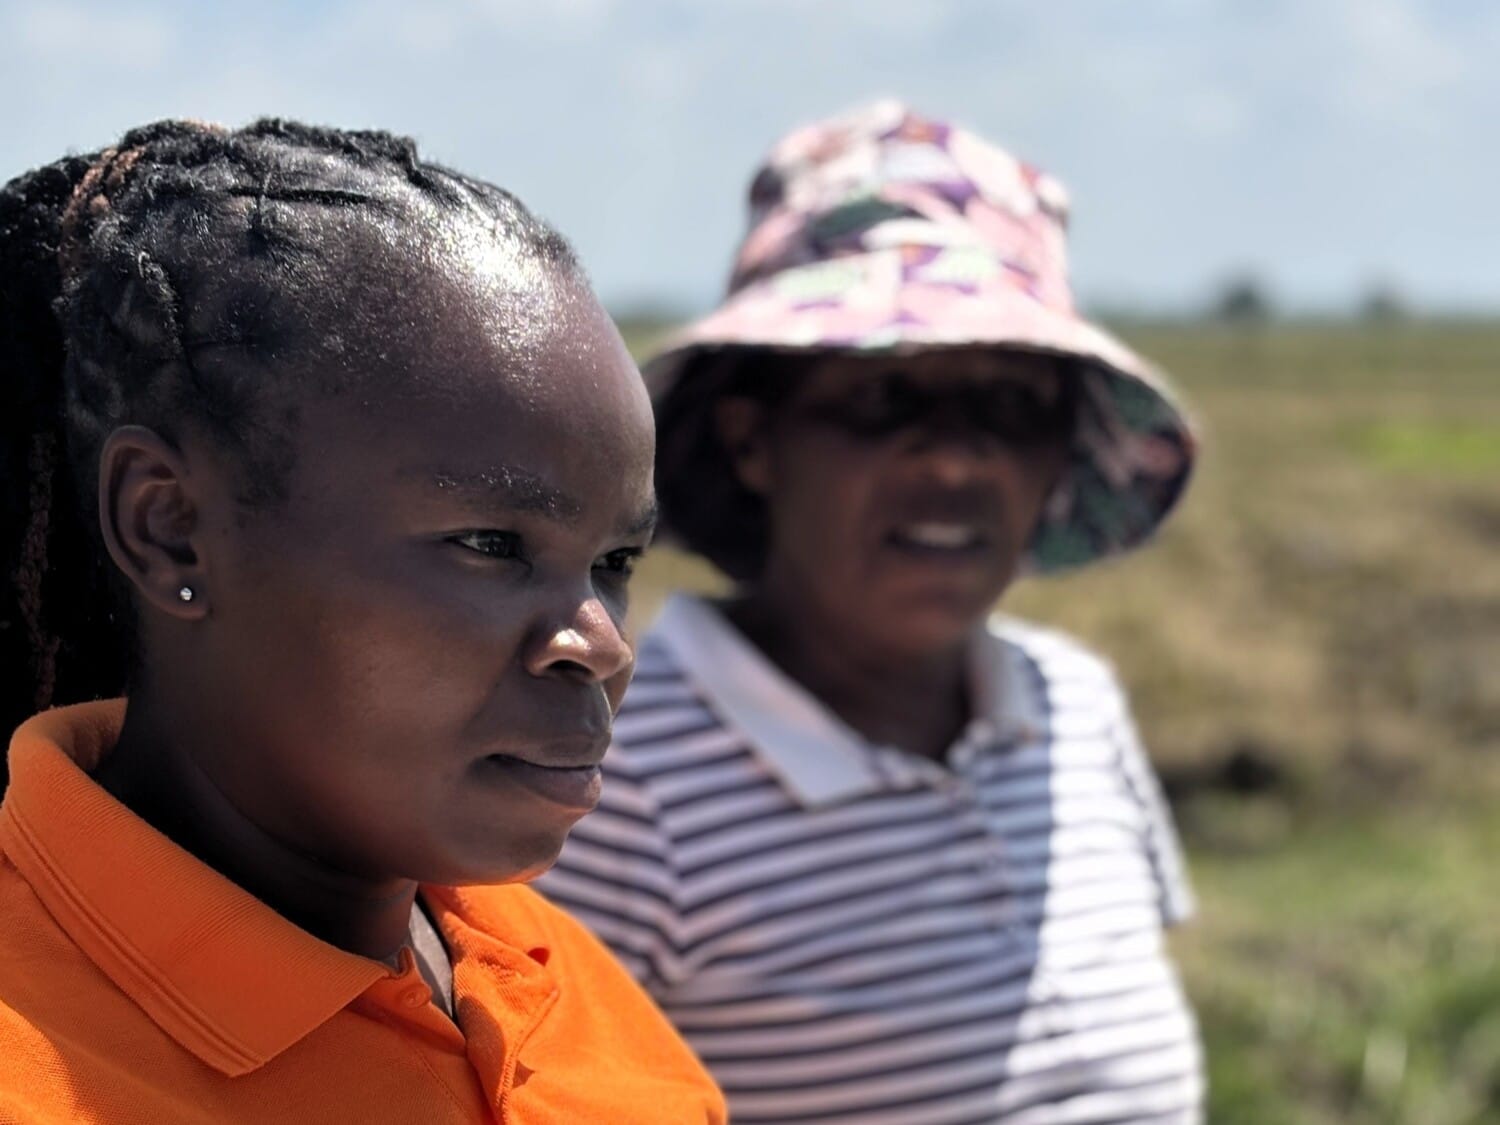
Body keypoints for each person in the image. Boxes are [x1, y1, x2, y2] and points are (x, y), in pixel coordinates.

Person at [0, 119, 725, 1123]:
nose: (601, 645)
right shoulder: (35, 1063)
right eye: (487, 543)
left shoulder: (540, 971)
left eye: (613, 563)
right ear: (169, 528)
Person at [539, 101, 1203, 1123]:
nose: (955, 457)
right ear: (755, 440)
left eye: (1012, 405)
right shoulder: (617, 780)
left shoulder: (1071, 707)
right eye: (886, 400)